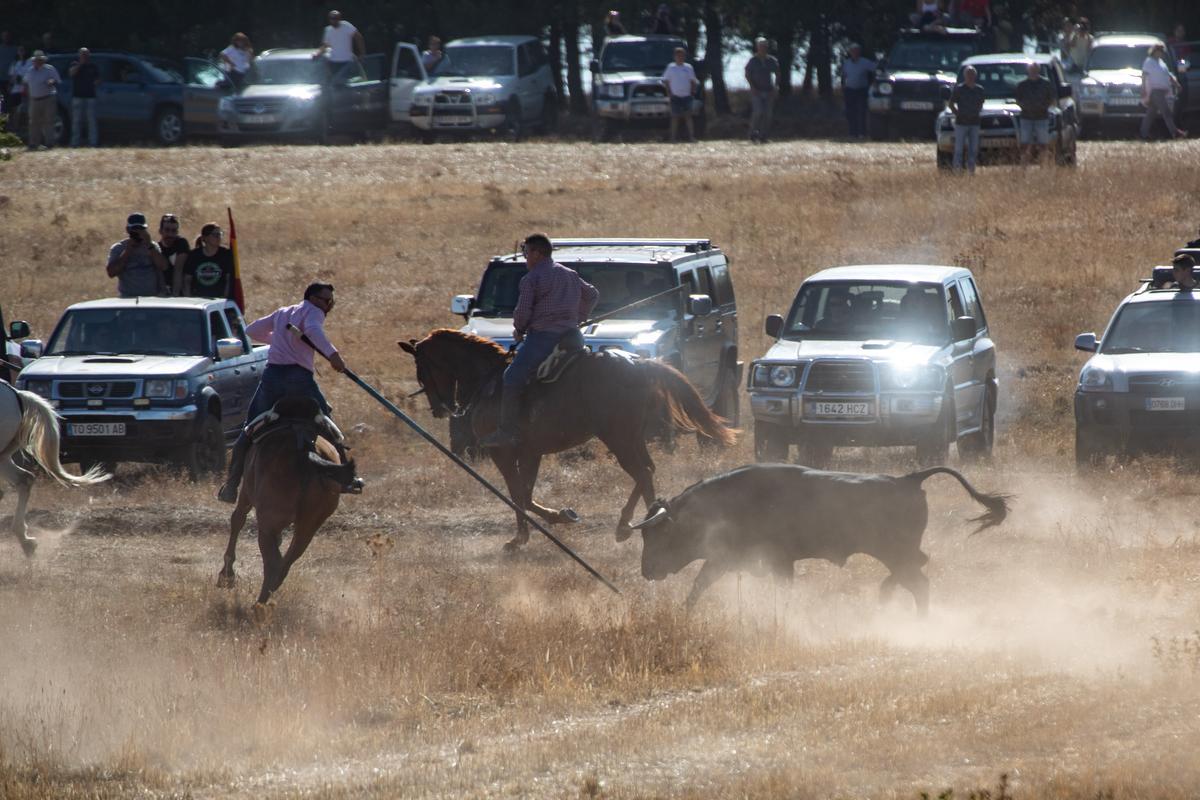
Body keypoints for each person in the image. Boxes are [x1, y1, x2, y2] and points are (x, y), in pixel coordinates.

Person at [218, 282, 363, 503]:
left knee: (249, 429)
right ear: (313, 299)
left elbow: (252, 331)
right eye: (326, 300)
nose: (329, 305)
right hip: (299, 380)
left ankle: (231, 486)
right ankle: (346, 479)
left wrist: (279, 340)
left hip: (272, 378)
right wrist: (333, 355)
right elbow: (314, 331)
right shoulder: (314, 312)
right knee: (328, 424)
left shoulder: (283, 312)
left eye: (331, 301)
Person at [478, 234, 598, 450]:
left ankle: (508, 431)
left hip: (544, 339)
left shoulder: (532, 279)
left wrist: (519, 329)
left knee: (512, 376)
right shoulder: (570, 274)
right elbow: (592, 294)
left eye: (527, 252)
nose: (525, 257)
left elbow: (523, 311)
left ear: (537, 253)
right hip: (573, 338)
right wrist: (580, 317)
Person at [106, 213, 168, 298]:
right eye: (134, 229)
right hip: (127, 297)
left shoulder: (152, 246)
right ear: (128, 230)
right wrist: (128, 251)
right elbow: (111, 273)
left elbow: (163, 266)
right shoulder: (119, 248)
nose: (138, 232)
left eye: (141, 229)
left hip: (151, 297)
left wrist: (149, 245)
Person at [1141, 43, 1187, 141]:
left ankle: (1143, 133)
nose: (1162, 53)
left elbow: (1168, 74)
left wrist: (1176, 83)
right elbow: (1144, 76)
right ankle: (1175, 133)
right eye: (1161, 51)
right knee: (1166, 112)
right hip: (1155, 91)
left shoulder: (1161, 63)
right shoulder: (1149, 62)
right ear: (1155, 51)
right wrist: (1143, 89)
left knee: (1151, 114)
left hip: (1162, 91)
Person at [1014, 61, 1055, 166]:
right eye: (1031, 70)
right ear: (1028, 70)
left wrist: (1042, 107)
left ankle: (1043, 166)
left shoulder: (1046, 84)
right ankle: (1023, 166)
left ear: (1038, 70)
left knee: (1043, 144)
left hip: (1042, 118)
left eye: (1035, 70)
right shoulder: (1022, 85)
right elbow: (1018, 99)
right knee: (1025, 144)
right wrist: (1026, 107)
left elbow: (1051, 99)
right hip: (1026, 118)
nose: (1033, 72)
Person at [182, 223, 236, 299]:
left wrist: (224, 298)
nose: (219, 237)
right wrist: (189, 298)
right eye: (215, 235)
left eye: (220, 234)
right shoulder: (194, 255)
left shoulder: (226, 254)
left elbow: (228, 279)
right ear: (205, 238)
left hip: (219, 299)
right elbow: (187, 280)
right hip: (197, 299)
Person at [948, 65, 985, 173]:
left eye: (972, 74)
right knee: (959, 149)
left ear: (975, 76)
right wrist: (957, 114)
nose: (970, 76)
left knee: (973, 149)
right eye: (968, 74)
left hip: (975, 123)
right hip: (961, 123)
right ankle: (957, 170)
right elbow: (951, 104)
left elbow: (981, 104)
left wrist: (976, 112)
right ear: (964, 76)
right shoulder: (959, 89)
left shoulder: (980, 90)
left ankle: (971, 170)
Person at [22, 51, 60, 151]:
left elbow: (57, 80)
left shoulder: (49, 69)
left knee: (48, 122)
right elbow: (25, 82)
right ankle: (34, 143)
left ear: (43, 60)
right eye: (36, 60)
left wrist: (51, 81)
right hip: (34, 99)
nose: (38, 62)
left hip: (48, 98)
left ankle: (49, 143)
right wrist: (27, 94)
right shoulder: (30, 71)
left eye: (40, 60)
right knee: (33, 122)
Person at [744, 38, 779, 143]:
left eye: (764, 46)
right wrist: (752, 87)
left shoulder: (771, 60)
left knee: (768, 114)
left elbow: (778, 73)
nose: (762, 48)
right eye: (760, 46)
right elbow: (747, 74)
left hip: (769, 90)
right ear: (757, 47)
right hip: (756, 91)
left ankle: (764, 136)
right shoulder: (752, 61)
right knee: (758, 112)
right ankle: (752, 134)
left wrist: (776, 86)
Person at [662, 46, 698, 143]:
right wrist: (669, 92)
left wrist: (692, 93)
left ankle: (691, 137)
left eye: (682, 55)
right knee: (674, 117)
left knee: (688, 117)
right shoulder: (671, 67)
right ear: (675, 56)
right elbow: (666, 81)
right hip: (675, 96)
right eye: (678, 55)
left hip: (687, 96)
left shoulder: (688, 67)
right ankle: (673, 138)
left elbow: (693, 81)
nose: (680, 57)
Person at [841, 43, 875, 140]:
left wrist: (873, 83)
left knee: (862, 112)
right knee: (851, 113)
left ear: (859, 52)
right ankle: (852, 133)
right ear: (850, 52)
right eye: (853, 51)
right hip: (849, 90)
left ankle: (862, 134)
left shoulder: (865, 62)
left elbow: (875, 69)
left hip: (862, 90)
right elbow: (843, 76)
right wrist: (843, 86)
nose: (854, 53)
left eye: (856, 51)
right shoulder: (846, 63)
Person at [68, 48, 100, 147]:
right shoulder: (74, 64)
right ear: (79, 55)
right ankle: (75, 143)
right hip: (77, 96)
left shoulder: (93, 66)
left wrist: (97, 82)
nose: (85, 56)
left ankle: (93, 142)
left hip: (90, 96)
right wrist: (80, 64)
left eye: (86, 54)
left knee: (91, 121)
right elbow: (71, 73)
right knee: (77, 120)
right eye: (83, 54)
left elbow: (98, 78)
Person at [156, 214, 190, 294]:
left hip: (179, 290)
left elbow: (178, 270)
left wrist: (175, 296)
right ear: (160, 231)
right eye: (167, 230)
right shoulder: (157, 248)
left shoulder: (181, 243)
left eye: (173, 231)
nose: (170, 234)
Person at [6, 45, 30, 130]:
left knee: (23, 111)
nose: (21, 52)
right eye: (20, 50)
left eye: (23, 50)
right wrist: (13, 82)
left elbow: (29, 75)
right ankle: (14, 128)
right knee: (14, 110)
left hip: (24, 90)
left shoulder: (29, 62)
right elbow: (11, 77)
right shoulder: (15, 63)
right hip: (15, 90)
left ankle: (24, 129)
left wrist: (21, 79)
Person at [0, 32, 17, 98]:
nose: (6, 38)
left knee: (10, 99)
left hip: (10, 79)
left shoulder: (15, 49)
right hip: (0, 78)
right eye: (4, 36)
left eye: (7, 36)